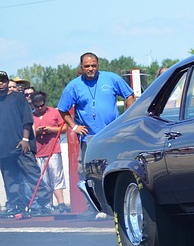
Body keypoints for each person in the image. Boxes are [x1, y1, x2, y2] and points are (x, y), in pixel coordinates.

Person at [57, 52, 135, 212]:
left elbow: (129, 95)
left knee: (114, 168)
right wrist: (74, 127)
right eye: (87, 66)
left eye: (93, 65)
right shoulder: (74, 86)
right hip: (89, 138)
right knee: (89, 173)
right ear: (81, 67)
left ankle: (117, 204)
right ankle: (94, 207)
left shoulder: (111, 78)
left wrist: (128, 118)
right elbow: (62, 109)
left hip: (112, 134)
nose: (90, 68)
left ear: (98, 65)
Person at [0, 71, 49, 216]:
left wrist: (25, 139)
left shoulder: (18, 98)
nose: (0, 83)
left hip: (21, 145)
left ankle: (44, 203)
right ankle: (16, 205)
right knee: (10, 179)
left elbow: (27, 119)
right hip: (4, 148)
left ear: (8, 82)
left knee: (32, 175)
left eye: (3, 80)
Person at [31, 92, 68, 213]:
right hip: (38, 152)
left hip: (53, 150)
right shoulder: (31, 116)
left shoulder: (54, 112)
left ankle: (61, 203)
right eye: (37, 106)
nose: (40, 108)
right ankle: (47, 204)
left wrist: (50, 129)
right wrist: (36, 131)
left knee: (56, 177)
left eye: (42, 105)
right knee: (44, 180)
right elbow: (27, 133)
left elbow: (64, 128)